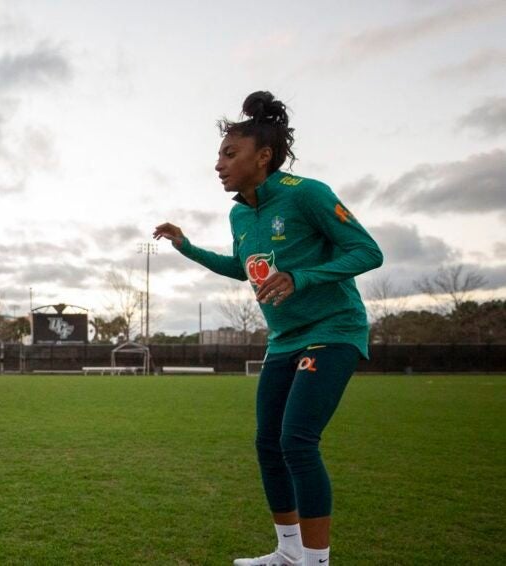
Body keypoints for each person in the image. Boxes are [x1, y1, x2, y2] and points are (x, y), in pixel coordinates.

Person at [153, 92, 383, 566]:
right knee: (268, 444)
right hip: (284, 338)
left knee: (297, 440)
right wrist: (186, 246)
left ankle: (316, 563)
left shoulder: (307, 193)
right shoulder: (239, 212)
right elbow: (243, 268)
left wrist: (302, 277)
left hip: (334, 329)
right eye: (219, 154)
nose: (218, 164)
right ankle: (288, 552)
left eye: (229, 154)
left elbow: (368, 252)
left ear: (264, 156)